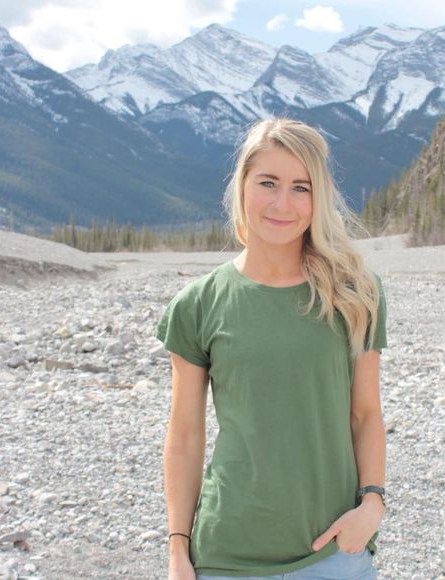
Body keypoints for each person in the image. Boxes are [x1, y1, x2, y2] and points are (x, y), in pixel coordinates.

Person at [154, 117, 388, 580]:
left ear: (318, 198)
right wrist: (178, 549)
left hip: (334, 554)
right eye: (268, 183)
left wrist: (372, 504)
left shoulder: (354, 294)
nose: (283, 203)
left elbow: (365, 414)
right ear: (242, 186)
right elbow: (184, 435)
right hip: (227, 556)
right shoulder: (198, 304)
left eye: (301, 187)